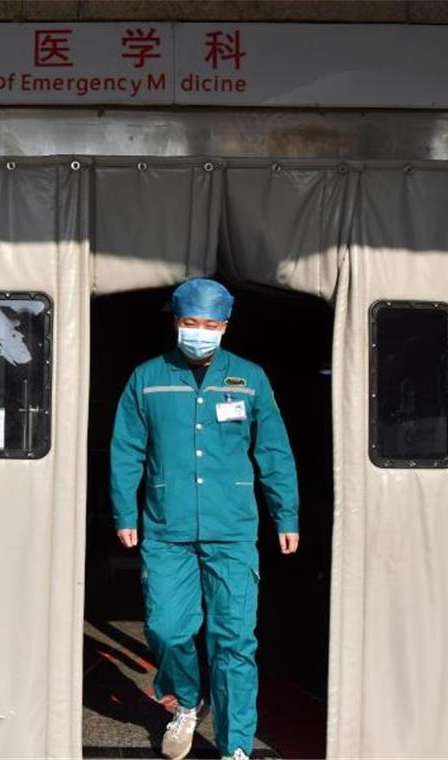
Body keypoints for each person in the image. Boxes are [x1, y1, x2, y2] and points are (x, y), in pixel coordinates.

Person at [109, 278, 300, 760]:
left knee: (233, 640)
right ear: (176, 322)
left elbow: (273, 450)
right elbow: (126, 450)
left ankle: (236, 745)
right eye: (191, 322)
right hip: (166, 529)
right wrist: (124, 511)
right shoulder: (147, 378)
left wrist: (287, 514)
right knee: (167, 629)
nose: (200, 331)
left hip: (232, 530)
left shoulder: (249, 378)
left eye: (210, 324)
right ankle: (187, 703)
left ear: (225, 326)